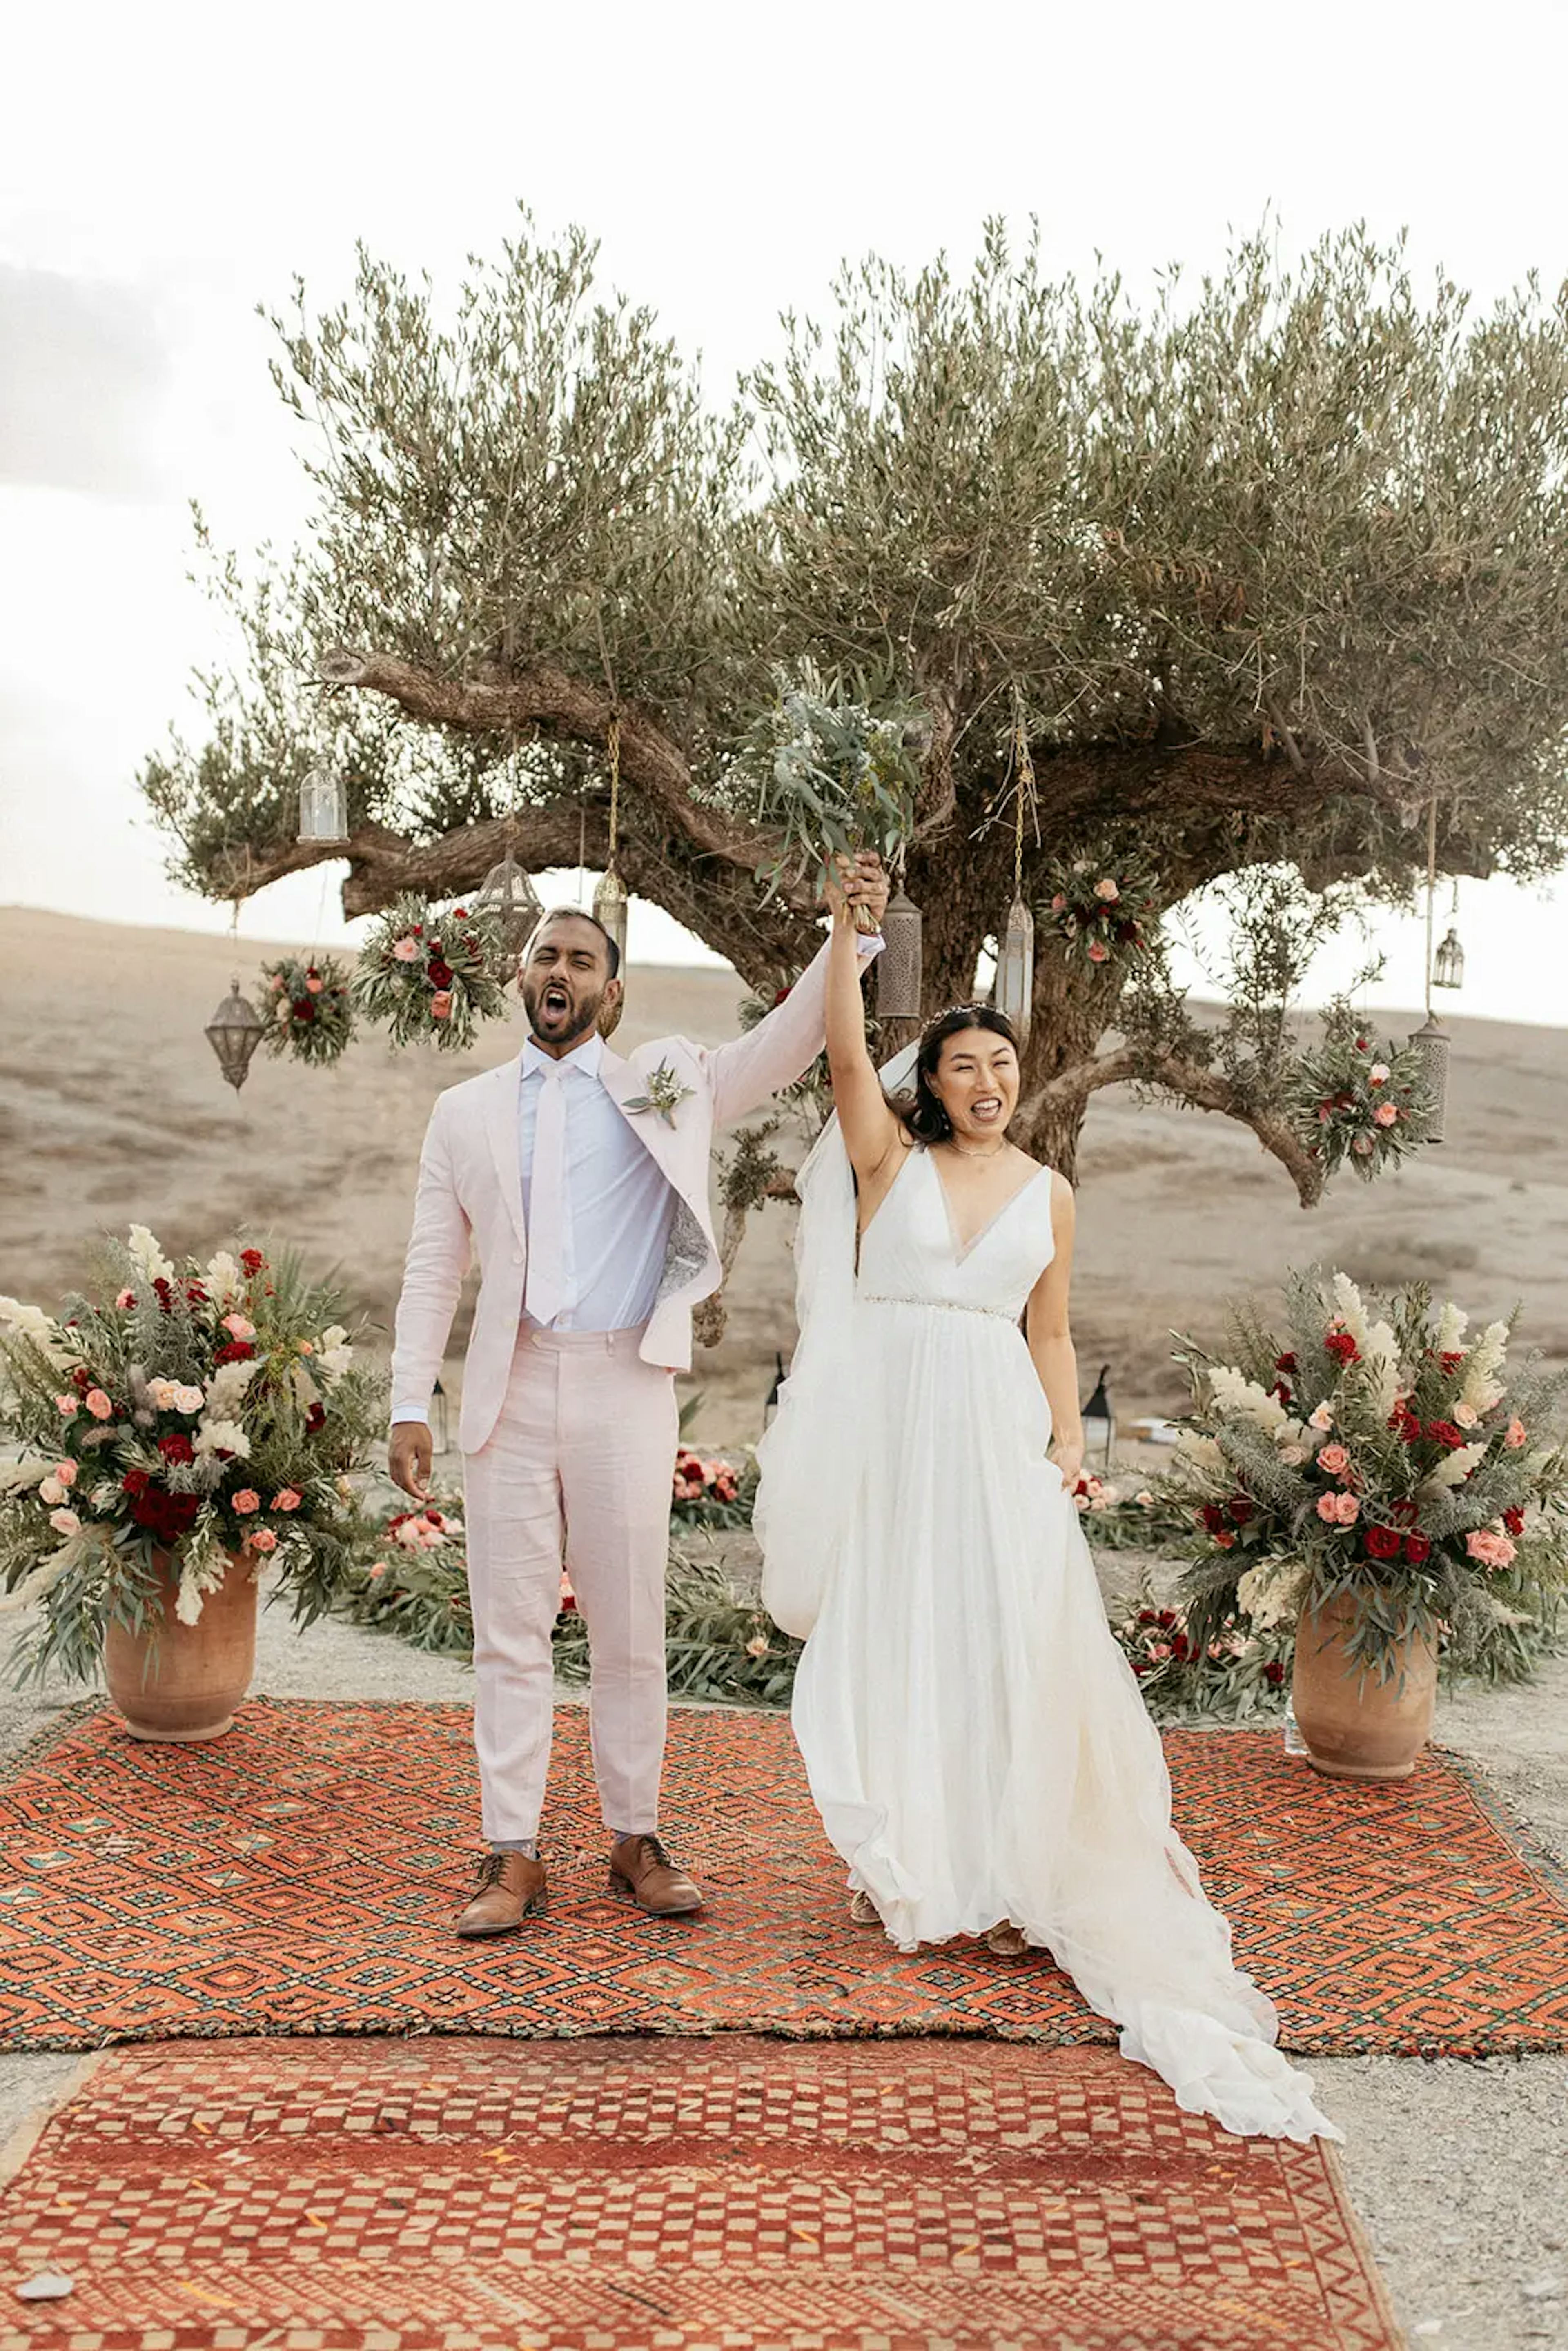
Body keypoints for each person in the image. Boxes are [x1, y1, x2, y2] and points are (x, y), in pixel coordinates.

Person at [754, 873, 1340, 2143]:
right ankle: (896, 1853)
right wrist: (851, 939)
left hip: (991, 1435)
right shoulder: (880, 1161)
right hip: (892, 1432)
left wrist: (1067, 1435)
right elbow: (846, 1051)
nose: (985, 1083)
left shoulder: (1049, 1195)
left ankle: (1013, 1860)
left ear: (1022, 1082)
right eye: (962, 1066)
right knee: (891, 1634)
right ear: (932, 1082)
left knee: (997, 1646)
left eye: (1001, 1067)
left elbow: (1054, 1329)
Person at [388, 864, 889, 1937]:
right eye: (547, 956)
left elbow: (783, 1043)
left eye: (582, 958)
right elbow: (434, 1261)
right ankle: (510, 1852)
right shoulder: (463, 1114)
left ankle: (634, 1836)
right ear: (522, 979)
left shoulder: (659, 1081)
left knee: (626, 1628)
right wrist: (406, 1404)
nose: (561, 970)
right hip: (509, 1388)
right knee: (510, 1632)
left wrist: (844, 936)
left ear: (611, 994)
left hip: (625, 1383)